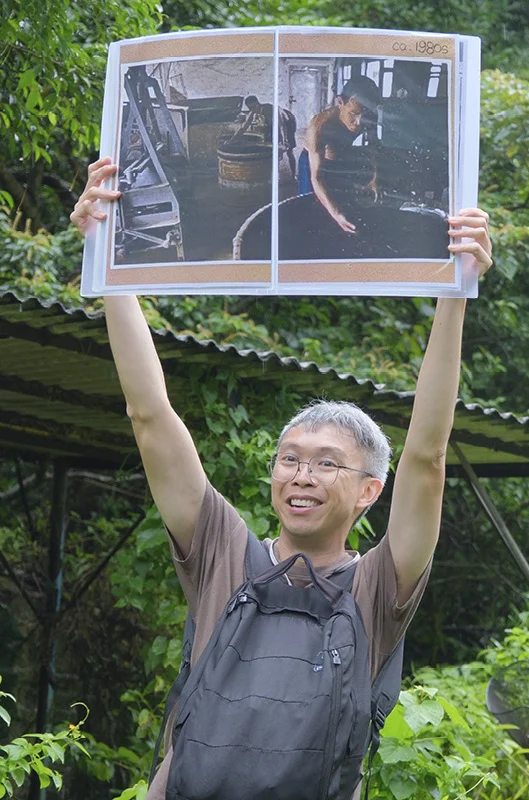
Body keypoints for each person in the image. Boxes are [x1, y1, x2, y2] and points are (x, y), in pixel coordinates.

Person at [70, 157, 492, 800]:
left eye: (327, 463)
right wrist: (106, 260)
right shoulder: (222, 553)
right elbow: (150, 415)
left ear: (369, 491)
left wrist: (454, 289)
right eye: (290, 458)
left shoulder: (378, 587)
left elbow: (427, 457)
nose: (301, 474)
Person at [297, 76, 383, 234]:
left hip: (340, 155)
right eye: (353, 114)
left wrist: (374, 180)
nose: (358, 123)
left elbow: (374, 148)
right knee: (310, 203)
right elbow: (316, 178)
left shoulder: (368, 117)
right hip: (311, 162)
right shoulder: (319, 126)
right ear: (340, 102)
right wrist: (336, 214)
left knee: (338, 199)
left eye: (365, 115)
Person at [229, 95, 299, 178]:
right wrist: (232, 140)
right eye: (250, 108)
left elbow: (282, 126)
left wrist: (285, 141)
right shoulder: (253, 112)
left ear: (258, 104)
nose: (253, 110)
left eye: (254, 107)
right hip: (274, 125)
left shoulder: (272, 110)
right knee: (275, 150)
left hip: (287, 122)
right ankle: (275, 176)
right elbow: (243, 128)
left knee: (289, 150)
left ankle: (293, 175)